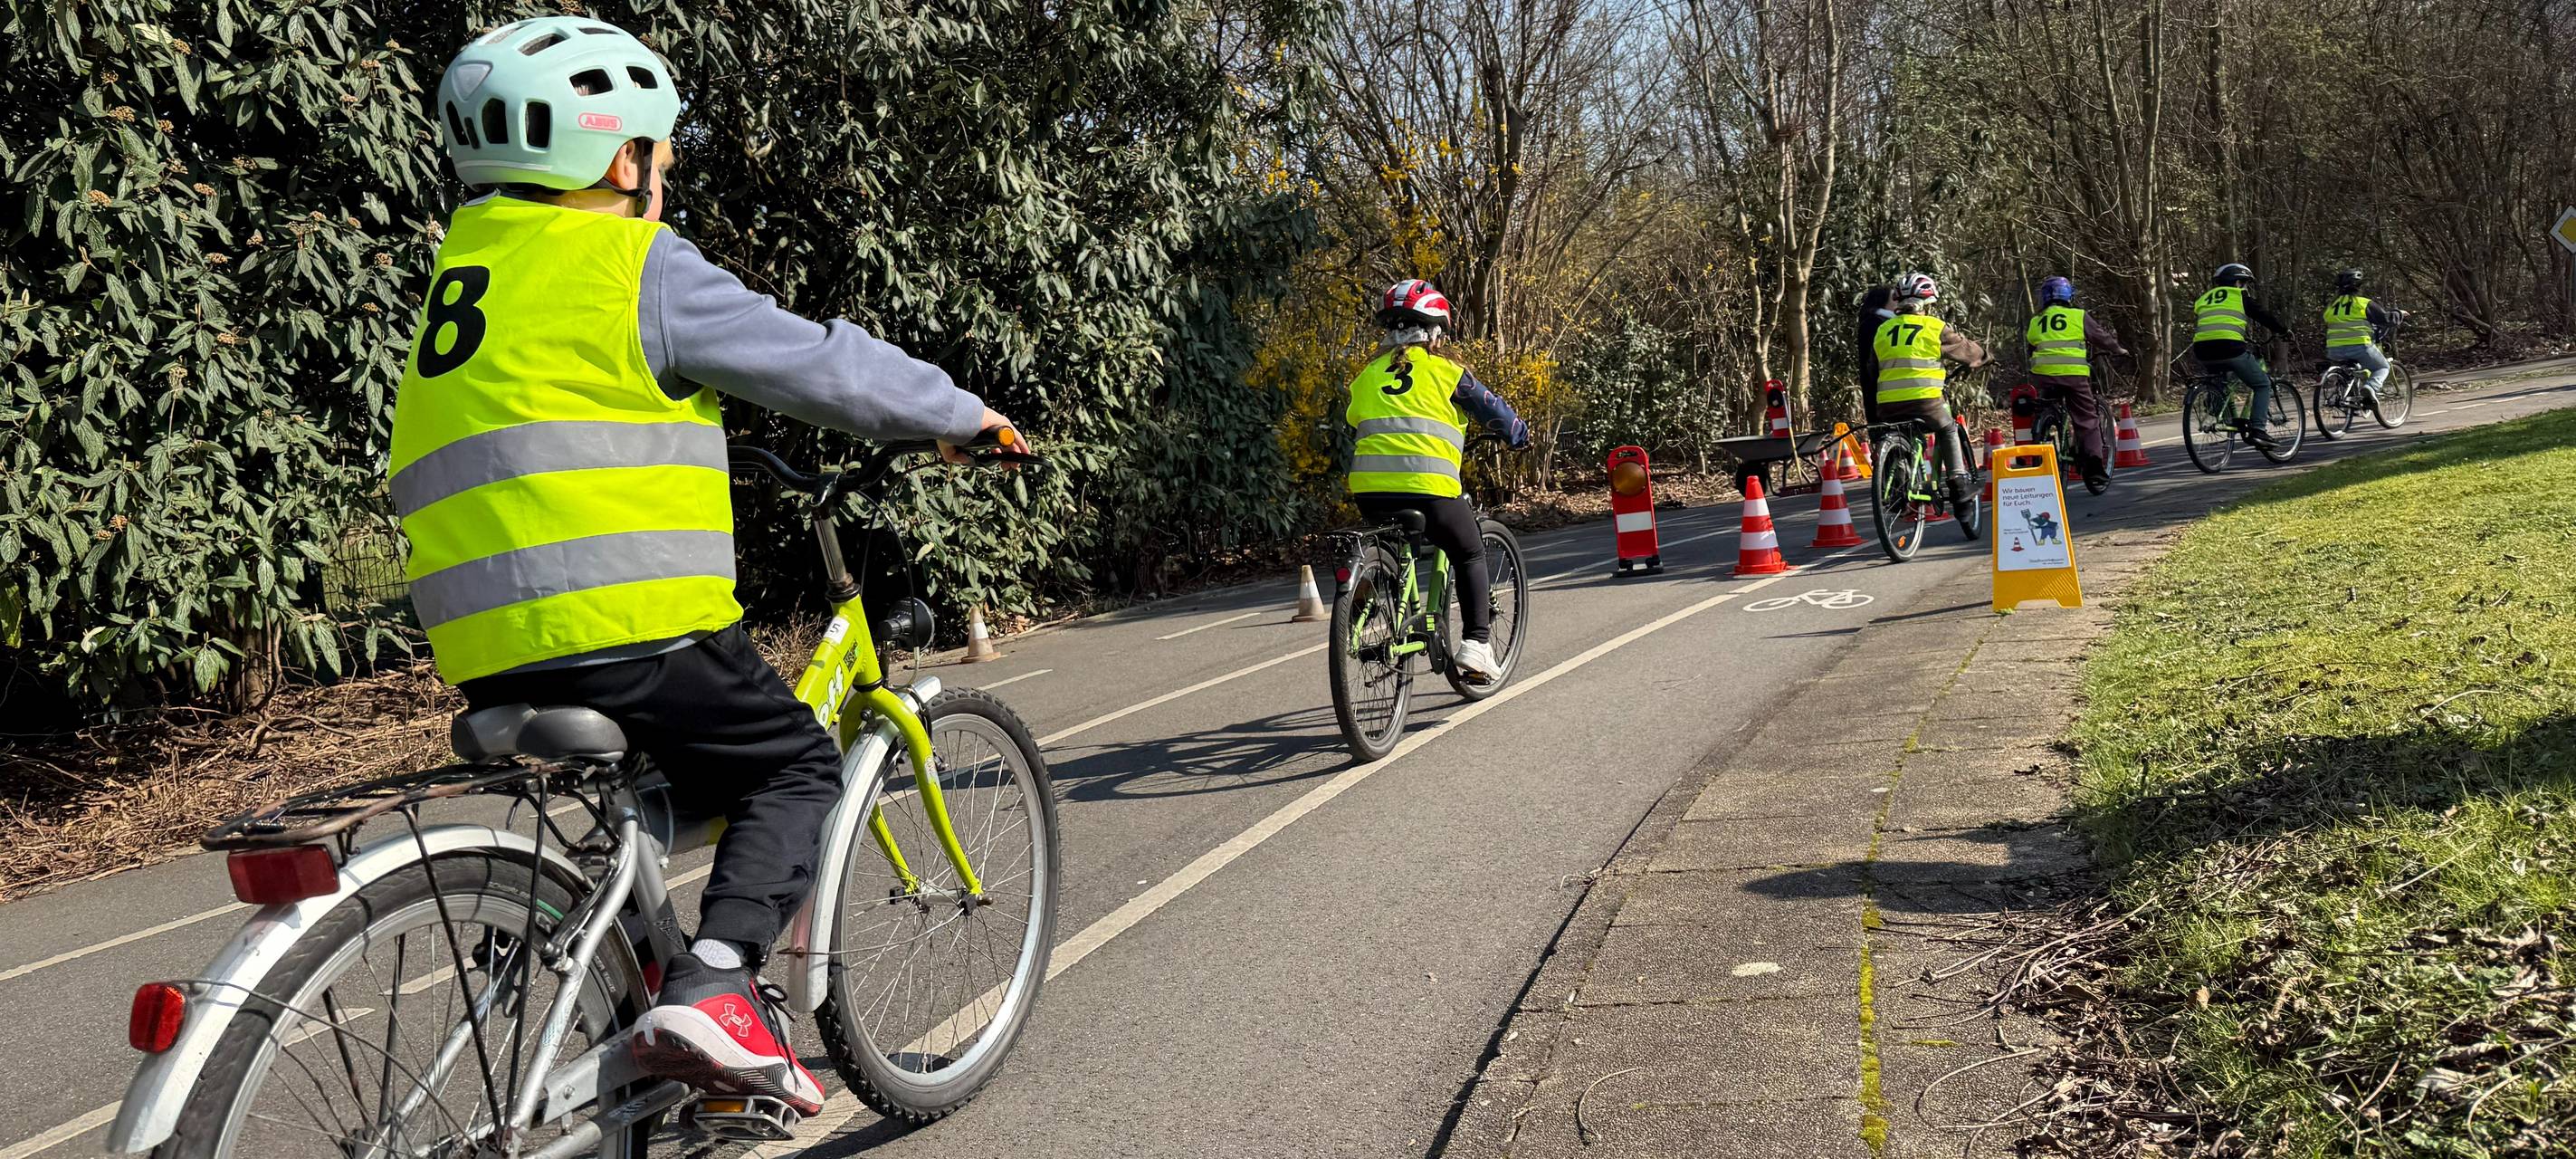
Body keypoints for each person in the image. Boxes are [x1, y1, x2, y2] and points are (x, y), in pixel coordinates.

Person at [394, 16, 1021, 1115]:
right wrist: (959, 414)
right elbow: (818, 362)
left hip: (486, 642)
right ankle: (721, 983)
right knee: (792, 768)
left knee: (669, 789)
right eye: (659, 160)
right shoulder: (629, 262)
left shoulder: (466, 275)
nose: (664, 184)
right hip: (628, 623)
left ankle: (648, 1020)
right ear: (613, 156)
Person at [1345, 279, 1530, 683]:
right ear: (1435, 330)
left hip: (1369, 491)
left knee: (1395, 542)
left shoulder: (1367, 376)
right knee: (1469, 551)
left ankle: (1372, 587)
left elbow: (1352, 426)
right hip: (1430, 490)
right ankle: (1478, 646)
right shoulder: (1448, 373)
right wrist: (1518, 434)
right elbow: (1496, 413)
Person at [1872, 272, 1988, 510]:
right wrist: (1986, 356)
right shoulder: (1935, 327)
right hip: (1926, 402)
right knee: (1947, 429)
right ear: (1927, 303)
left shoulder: (1883, 330)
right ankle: (1958, 482)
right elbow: (1968, 351)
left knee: (1903, 433)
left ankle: (1898, 488)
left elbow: (1872, 368)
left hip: (1887, 404)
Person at [2024, 276, 2128, 487]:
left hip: (2043, 376)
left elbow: (2031, 346)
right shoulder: (2078, 315)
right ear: (2069, 295)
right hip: (2074, 377)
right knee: (2086, 418)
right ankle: (2094, 468)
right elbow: (2100, 337)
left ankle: (2044, 434)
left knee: (2047, 405)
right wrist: (2118, 349)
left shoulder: (2037, 320)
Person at [2192, 263, 2294, 445]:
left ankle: (2216, 404)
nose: (2245, 287)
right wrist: (2283, 331)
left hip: (2202, 349)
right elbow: (2262, 315)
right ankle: (2258, 430)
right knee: (2262, 384)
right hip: (2230, 347)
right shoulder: (2239, 295)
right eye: (2245, 283)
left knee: (2221, 379)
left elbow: (2215, 321)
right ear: (2238, 282)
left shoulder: (2204, 298)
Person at [2323, 268, 2404, 395]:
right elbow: (2385, 319)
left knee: (2350, 372)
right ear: (2359, 286)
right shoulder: (2363, 303)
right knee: (2382, 367)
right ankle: (2370, 388)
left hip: (2333, 350)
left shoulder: (2331, 306)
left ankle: (2349, 400)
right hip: (2359, 347)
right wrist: (2398, 313)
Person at [1855, 283, 1897, 428]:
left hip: (1876, 388)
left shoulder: (1871, 321)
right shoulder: (1878, 324)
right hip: (1881, 389)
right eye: (1894, 298)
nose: (1899, 301)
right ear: (1883, 302)